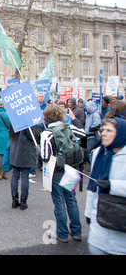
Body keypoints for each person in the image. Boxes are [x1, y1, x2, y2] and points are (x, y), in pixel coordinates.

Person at [40, 104, 86, 243]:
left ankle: (62, 234)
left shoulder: (46, 133)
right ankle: (77, 232)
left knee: (59, 202)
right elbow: (83, 133)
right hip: (72, 168)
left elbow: (45, 156)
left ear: (46, 117)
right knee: (71, 200)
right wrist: (74, 119)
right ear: (61, 115)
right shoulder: (69, 128)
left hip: (57, 171)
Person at [85, 117, 126, 255]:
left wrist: (112, 185)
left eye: (109, 130)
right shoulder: (99, 153)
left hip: (120, 229)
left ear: (120, 133)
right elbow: (92, 187)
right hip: (98, 229)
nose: (103, 133)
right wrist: (88, 213)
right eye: (103, 130)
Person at [9, 125, 41, 210]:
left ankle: (14, 200)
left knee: (15, 175)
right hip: (27, 150)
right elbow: (34, 136)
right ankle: (23, 201)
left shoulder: (14, 118)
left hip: (14, 149)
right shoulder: (29, 122)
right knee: (25, 175)